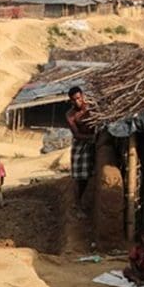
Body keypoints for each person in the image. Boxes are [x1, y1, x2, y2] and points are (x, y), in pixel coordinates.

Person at [66, 86, 95, 218]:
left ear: (82, 96)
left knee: (88, 176)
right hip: (80, 145)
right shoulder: (70, 115)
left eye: (78, 98)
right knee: (79, 178)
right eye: (74, 100)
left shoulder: (91, 108)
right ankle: (77, 205)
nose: (77, 102)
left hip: (93, 141)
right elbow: (77, 135)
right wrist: (92, 138)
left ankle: (81, 201)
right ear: (70, 101)